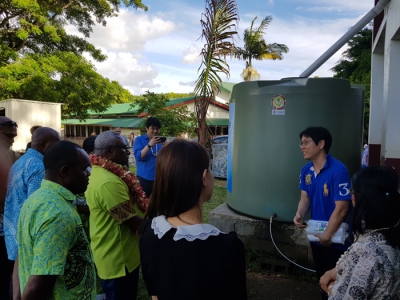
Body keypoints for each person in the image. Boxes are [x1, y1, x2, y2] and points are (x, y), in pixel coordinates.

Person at [140, 139, 247, 300]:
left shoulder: (150, 231)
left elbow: (154, 295)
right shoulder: (227, 248)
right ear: (204, 177)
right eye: (210, 169)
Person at [17, 141, 96, 299]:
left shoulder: (37, 199)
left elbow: (21, 255)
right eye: (84, 168)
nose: (89, 173)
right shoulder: (57, 215)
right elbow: (36, 288)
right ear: (65, 172)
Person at [320, 166, 400, 299]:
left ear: (356, 199)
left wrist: (331, 287)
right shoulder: (392, 233)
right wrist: (339, 270)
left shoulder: (365, 252)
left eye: (352, 191)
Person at [86, 131, 147, 300]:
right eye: (124, 149)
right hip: (118, 260)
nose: (128, 153)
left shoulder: (102, 173)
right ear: (111, 151)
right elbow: (132, 221)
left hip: (120, 255)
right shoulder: (108, 182)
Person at [293, 126, 352, 300]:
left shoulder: (339, 171)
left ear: (321, 144)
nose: (302, 146)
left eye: (306, 142)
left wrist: (328, 234)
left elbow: (342, 208)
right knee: (321, 277)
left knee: (337, 281)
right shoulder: (306, 171)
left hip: (337, 238)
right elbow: (305, 198)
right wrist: (299, 214)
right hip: (317, 235)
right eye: (301, 143)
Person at [3, 127, 60, 298]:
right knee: (28, 284)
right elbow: (39, 207)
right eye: (54, 145)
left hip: (13, 230)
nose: (57, 150)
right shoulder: (38, 166)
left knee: (17, 278)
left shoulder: (21, 161)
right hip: (28, 237)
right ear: (43, 144)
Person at [0, 117, 19, 300]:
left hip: (6, 229)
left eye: (14, 136)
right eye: (7, 136)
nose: (12, 141)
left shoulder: (11, 155)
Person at [134, 117, 165, 197]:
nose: (155, 131)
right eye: (153, 128)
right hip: (144, 177)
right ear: (147, 128)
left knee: (157, 201)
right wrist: (149, 145)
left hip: (158, 177)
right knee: (143, 202)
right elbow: (139, 157)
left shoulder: (160, 142)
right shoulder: (139, 140)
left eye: (157, 129)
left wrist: (167, 147)